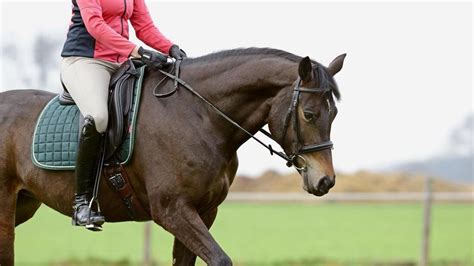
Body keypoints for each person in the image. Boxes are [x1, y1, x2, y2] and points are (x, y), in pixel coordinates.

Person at [60, 0, 186, 230]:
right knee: (98, 116)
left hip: (121, 62)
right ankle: (82, 204)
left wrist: (170, 48)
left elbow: (144, 26)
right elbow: (95, 25)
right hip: (85, 61)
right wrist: (137, 51)